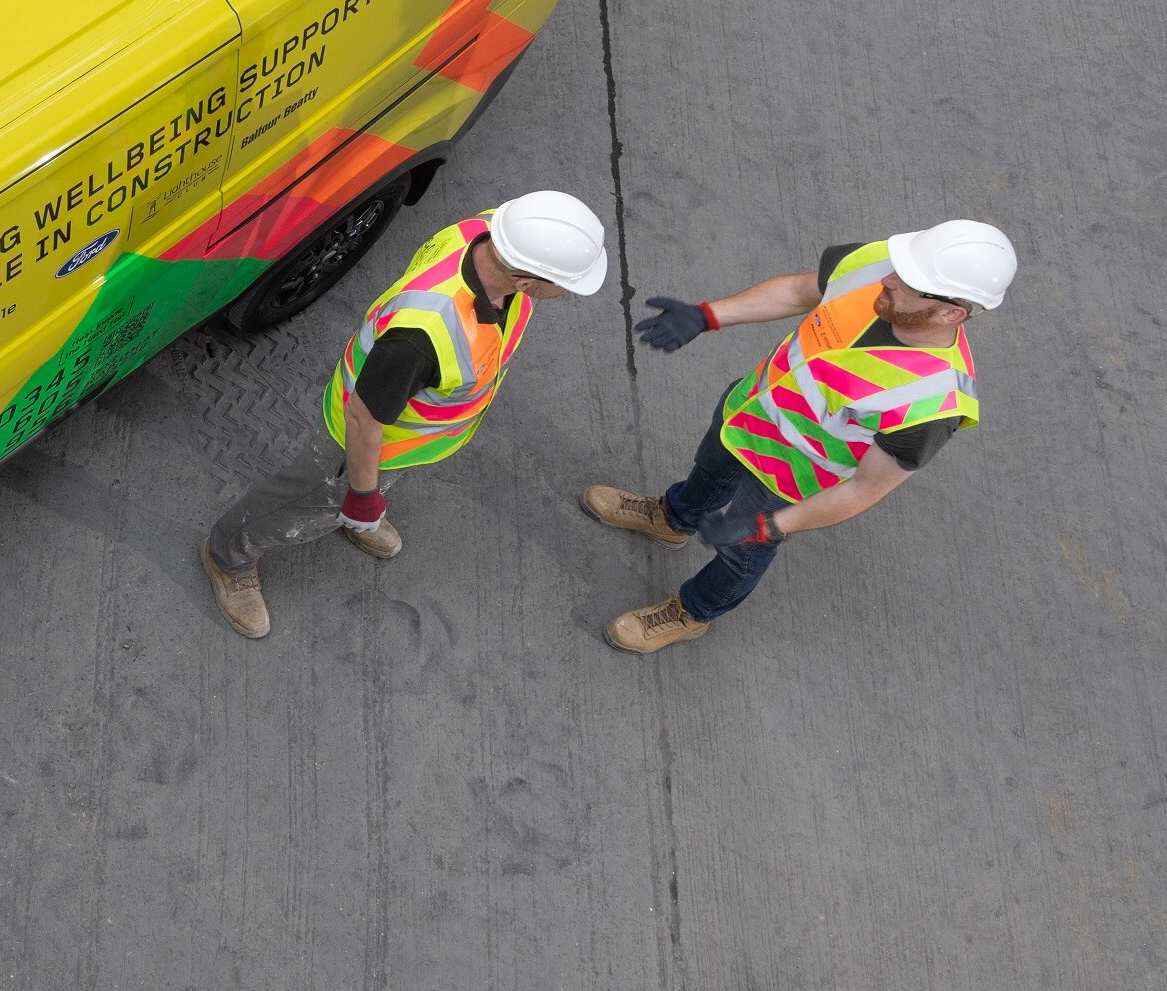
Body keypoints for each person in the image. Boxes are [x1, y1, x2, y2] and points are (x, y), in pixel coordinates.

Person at [583, 220, 1016, 653]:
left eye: (908, 284)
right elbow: (797, 292)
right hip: (749, 411)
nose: (888, 278)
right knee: (708, 473)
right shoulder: (882, 265)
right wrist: (707, 315)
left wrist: (768, 525)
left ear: (950, 312)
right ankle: (672, 518)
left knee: (740, 555)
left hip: (789, 482)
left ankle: (692, 612)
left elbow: (865, 490)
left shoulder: (933, 403)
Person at [202, 190, 610, 638]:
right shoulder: (423, 335)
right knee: (311, 498)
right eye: (563, 285)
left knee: (354, 494)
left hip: (404, 432)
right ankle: (229, 556)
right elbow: (363, 419)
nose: (564, 293)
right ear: (527, 282)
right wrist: (360, 492)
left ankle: (356, 510)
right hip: (358, 438)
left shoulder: (490, 231)